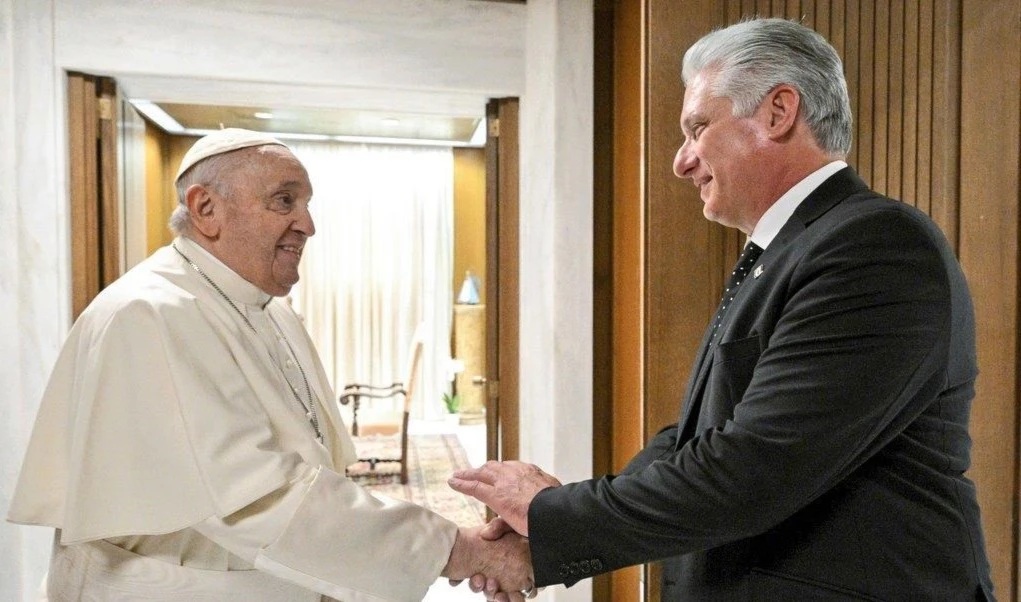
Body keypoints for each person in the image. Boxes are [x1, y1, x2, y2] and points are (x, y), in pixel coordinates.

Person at [450, 18, 995, 601]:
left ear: (778, 112)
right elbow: (700, 438)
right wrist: (551, 528)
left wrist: (553, 513)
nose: (682, 162)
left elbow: (755, 467)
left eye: (697, 128)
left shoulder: (875, 246)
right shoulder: (796, 247)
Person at [8, 128, 533, 601]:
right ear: (206, 208)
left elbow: (311, 471)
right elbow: (255, 496)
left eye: (305, 204)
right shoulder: (149, 313)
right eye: (284, 201)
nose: (306, 224)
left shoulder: (270, 313)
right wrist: (464, 550)